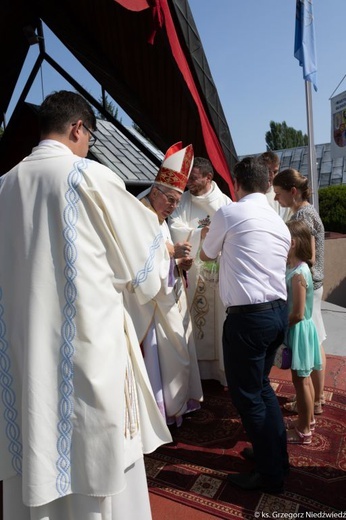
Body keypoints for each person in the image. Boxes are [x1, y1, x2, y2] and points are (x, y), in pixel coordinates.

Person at [0, 90, 173, 520]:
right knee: (95, 461)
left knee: (34, 442)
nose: (88, 145)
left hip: (22, 351)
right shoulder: (88, 176)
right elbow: (143, 269)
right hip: (86, 351)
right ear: (78, 128)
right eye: (89, 136)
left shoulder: (4, 184)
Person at [200, 156, 291, 494]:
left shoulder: (230, 213)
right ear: (267, 185)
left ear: (236, 184)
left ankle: (270, 475)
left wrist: (208, 236)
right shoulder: (277, 221)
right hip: (276, 312)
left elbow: (207, 255)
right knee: (262, 389)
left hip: (249, 319)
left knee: (248, 397)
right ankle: (276, 455)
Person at [126, 142, 204, 427]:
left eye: (177, 200)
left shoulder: (159, 217)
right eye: (170, 199)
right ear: (155, 192)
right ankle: (162, 413)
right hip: (151, 305)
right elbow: (138, 266)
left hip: (170, 292)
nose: (173, 207)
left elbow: (162, 251)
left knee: (181, 350)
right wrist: (171, 255)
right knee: (162, 359)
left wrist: (179, 262)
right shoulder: (139, 216)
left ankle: (181, 403)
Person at [169, 157, 232, 386]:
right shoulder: (182, 201)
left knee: (218, 320)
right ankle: (195, 371)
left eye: (193, 179)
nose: (188, 184)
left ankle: (219, 371)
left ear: (208, 177)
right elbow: (174, 227)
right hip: (191, 270)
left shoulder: (224, 202)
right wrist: (199, 234)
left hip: (217, 271)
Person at [273, 168, 327, 415]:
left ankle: (313, 400)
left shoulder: (303, 215)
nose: (276, 199)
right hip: (312, 283)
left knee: (311, 345)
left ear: (292, 192)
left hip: (307, 285)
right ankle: (314, 398)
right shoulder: (305, 211)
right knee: (315, 342)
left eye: (278, 193)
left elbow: (309, 256)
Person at [284, 220, 322, 444]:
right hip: (301, 330)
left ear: (294, 242)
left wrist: (281, 324)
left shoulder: (299, 272)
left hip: (298, 329)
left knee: (301, 381)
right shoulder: (297, 267)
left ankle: (304, 430)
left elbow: (298, 313)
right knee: (302, 380)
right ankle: (306, 420)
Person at [259, 151, 292, 222]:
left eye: (275, 172)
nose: (272, 176)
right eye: (268, 171)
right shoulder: (250, 192)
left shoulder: (284, 194)